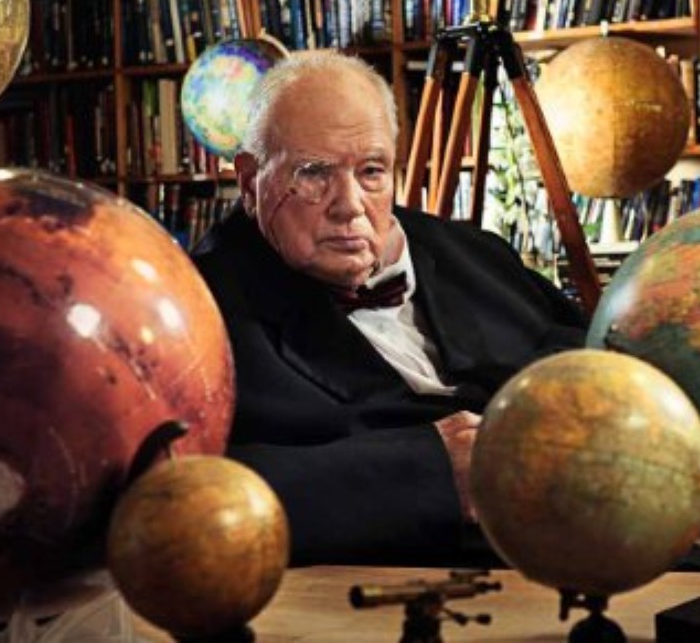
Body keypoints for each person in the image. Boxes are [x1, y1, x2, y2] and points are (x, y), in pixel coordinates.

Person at [194, 50, 586, 567]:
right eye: (314, 173)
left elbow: (588, 354)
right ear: (250, 181)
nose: (350, 204)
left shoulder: (474, 252)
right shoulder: (197, 309)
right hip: (429, 577)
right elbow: (188, 496)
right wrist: (430, 471)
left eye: (371, 171)